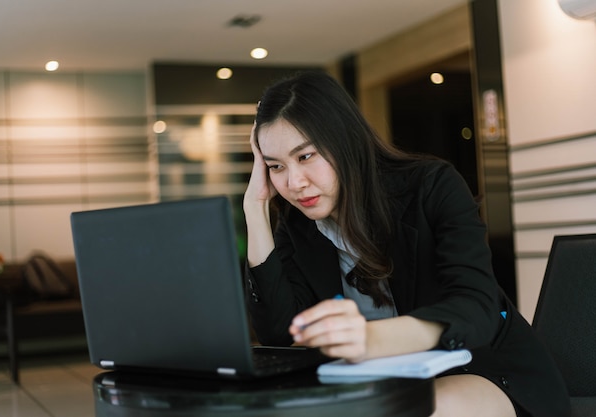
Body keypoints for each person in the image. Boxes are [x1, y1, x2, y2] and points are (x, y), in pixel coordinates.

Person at [242, 71, 569, 417]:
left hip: (485, 372)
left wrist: (371, 340)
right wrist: (255, 206)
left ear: (344, 141)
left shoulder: (431, 187)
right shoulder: (299, 223)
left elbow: (475, 308)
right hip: (380, 385)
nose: (294, 183)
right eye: (276, 166)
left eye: (306, 157)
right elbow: (281, 337)